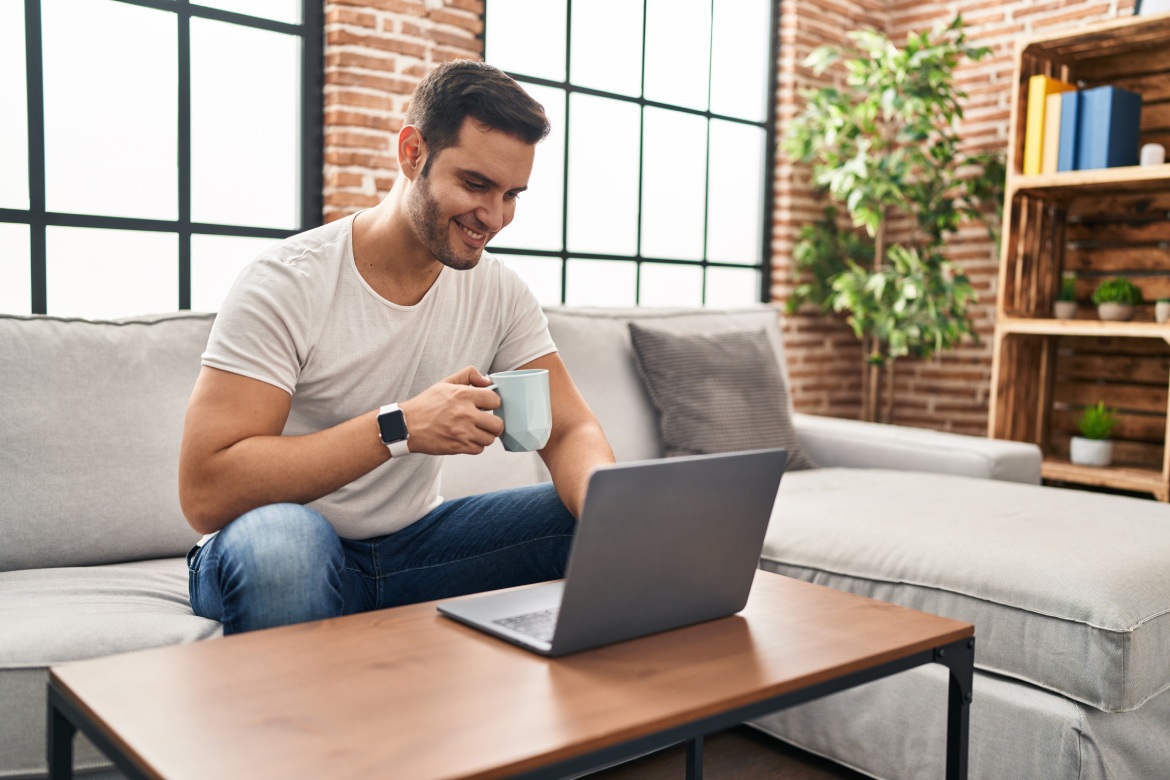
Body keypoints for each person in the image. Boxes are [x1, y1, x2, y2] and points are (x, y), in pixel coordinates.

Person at [178, 60, 616, 635]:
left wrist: (615, 520)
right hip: (279, 544)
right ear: (413, 153)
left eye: (512, 194)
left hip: (414, 549)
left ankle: (641, 721)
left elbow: (570, 430)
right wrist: (399, 427)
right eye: (476, 185)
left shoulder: (499, 293)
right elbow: (206, 490)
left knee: (599, 514)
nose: (495, 217)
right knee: (287, 547)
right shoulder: (289, 281)